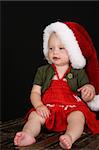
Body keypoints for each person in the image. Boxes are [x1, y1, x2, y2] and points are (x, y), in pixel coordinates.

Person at [14, 21, 99, 149]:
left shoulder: (78, 72)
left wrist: (89, 89)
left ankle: (70, 136)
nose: (55, 52)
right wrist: (39, 106)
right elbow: (35, 92)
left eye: (61, 48)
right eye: (51, 48)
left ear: (72, 51)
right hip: (49, 108)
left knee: (78, 117)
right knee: (34, 116)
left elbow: (86, 94)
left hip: (71, 108)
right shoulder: (43, 71)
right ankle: (28, 134)